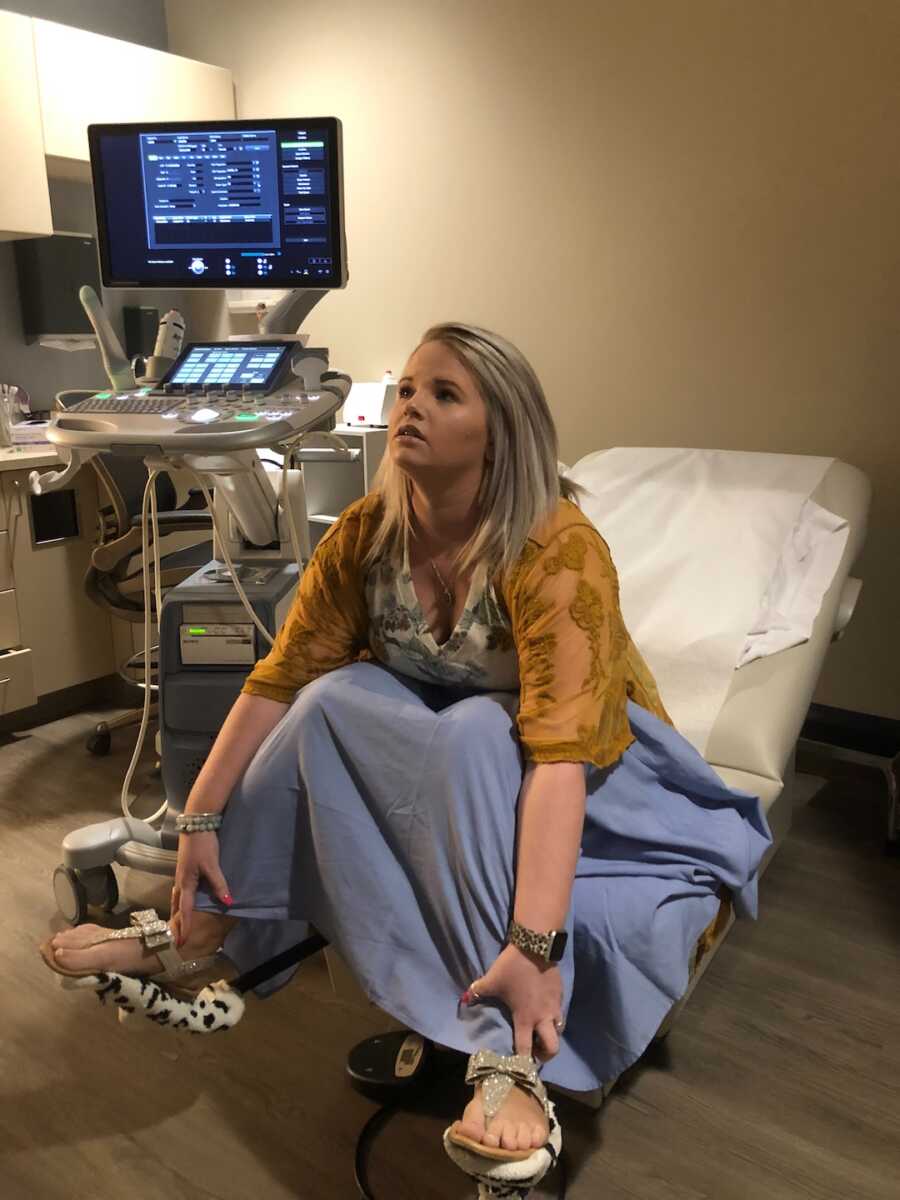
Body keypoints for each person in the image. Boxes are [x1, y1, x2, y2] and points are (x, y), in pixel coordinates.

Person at [43, 323, 770, 1194]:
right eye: (408, 390)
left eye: (445, 394)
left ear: (499, 432)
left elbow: (561, 759)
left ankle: (508, 1059)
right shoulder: (367, 534)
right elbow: (279, 679)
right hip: (438, 734)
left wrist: (537, 948)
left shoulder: (556, 550)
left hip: (588, 768)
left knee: (471, 733)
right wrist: (199, 818)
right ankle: (205, 928)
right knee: (326, 702)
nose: (411, 407)